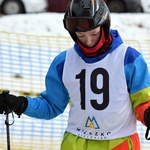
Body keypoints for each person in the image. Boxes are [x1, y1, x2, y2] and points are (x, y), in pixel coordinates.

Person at [0, 0, 150, 149]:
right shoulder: (64, 62)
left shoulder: (128, 59)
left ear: (105, 27)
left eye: (94, 33)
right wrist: (21, 104)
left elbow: (143, 103)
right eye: (81, 35)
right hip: (75, 143)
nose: (89, 41)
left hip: (118, 143)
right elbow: (51, 106)